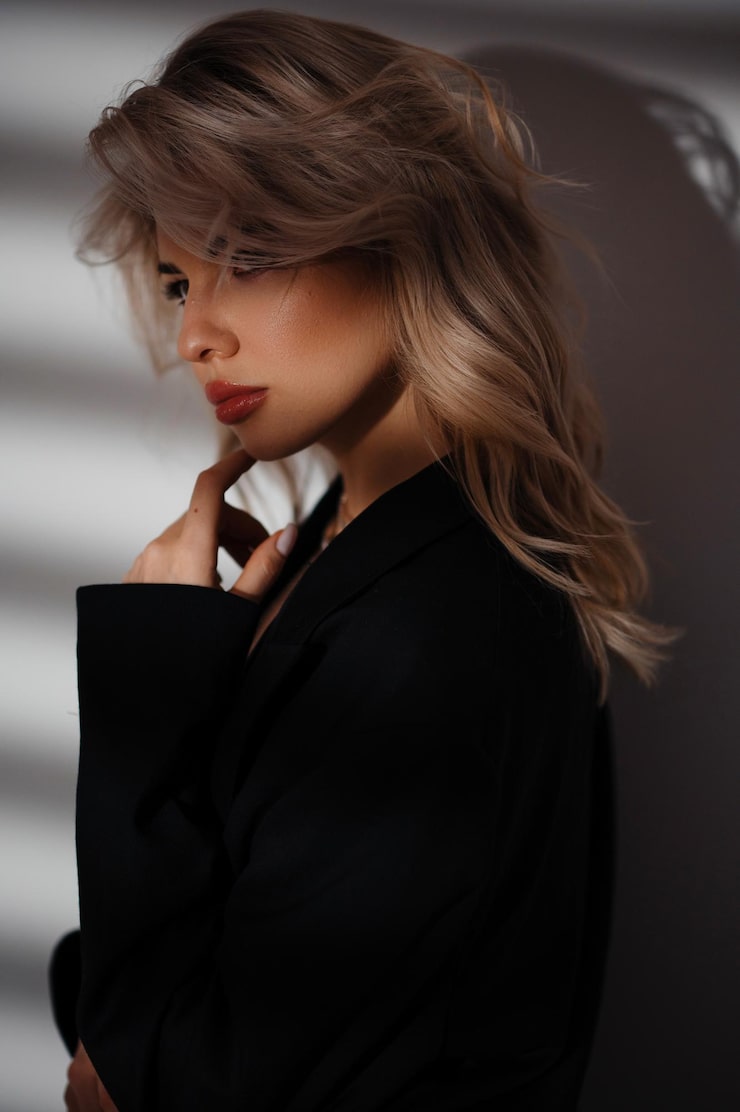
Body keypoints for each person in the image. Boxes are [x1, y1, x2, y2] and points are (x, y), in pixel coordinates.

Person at [49, 8, 675, 1111]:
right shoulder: (353, 543)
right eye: (180, 281)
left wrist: (148, 698)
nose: (194, 335)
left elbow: (192, 1076)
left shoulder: (436, 630)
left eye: (248, 256)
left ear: (404, 239)